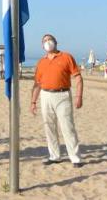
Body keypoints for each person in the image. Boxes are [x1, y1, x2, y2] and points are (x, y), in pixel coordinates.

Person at [30, 34, 84, 168]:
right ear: (42, 46)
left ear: (55, 42)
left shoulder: (66, 57)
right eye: (45, 41)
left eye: (50, 39)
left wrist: (79, 96)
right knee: (49, 126)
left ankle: (75, 158)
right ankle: (54, 156)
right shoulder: (41, 62)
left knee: (67, 127)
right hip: (45, 96)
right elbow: (37, 84)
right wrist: (33, 102)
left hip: (63, 95)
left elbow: (78, 78)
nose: (48, 42)